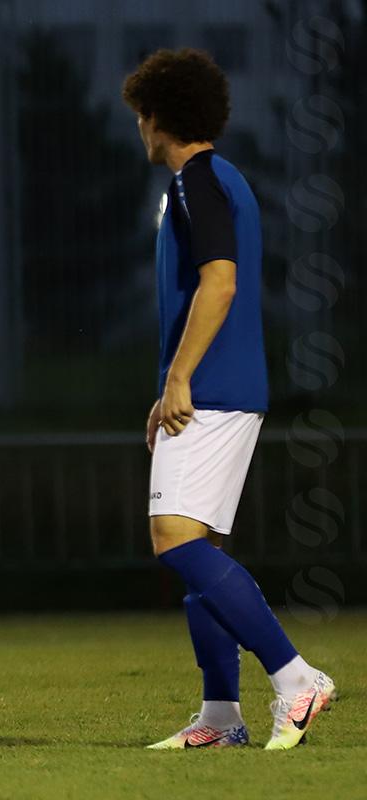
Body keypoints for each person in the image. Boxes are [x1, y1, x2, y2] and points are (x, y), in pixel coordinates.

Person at [122, 48, 336, 751]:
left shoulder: (198, 180)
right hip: (222, 388)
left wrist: (180, 378)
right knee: (201, 548)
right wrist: (171, 381)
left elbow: (221, 281)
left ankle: (296, 678)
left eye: (141, 114)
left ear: (159, 116)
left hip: (212, 391)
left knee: (174, 539)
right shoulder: (222, 179)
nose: (139, 127)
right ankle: (220, 718)